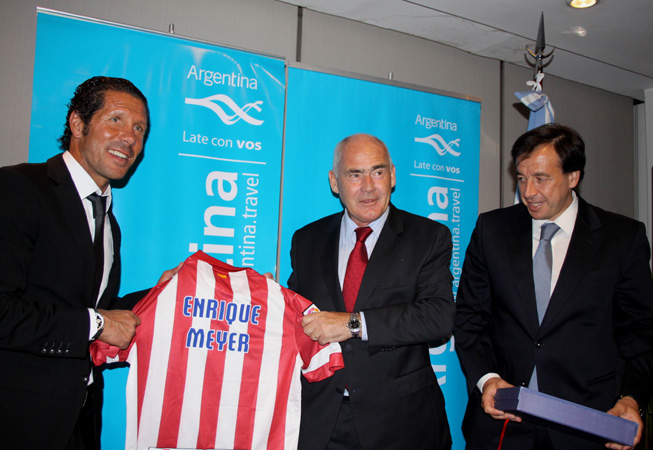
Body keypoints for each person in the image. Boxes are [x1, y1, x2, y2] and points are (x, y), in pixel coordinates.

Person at [0, 76, 178, 449]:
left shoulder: (108, 219)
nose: (130, 138)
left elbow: (93, 310)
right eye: (115, 120)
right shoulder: (19, 188)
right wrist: (96, 322)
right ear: (78, 124)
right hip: (17, 417)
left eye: (139, 128)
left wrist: (161, 294)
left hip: (79, 418)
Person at [455, 123, 653, 450]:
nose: (528, 191)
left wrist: (631, 398)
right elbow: (470, 319)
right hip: (504, 424)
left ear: (573, 177)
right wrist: (487, 379)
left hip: (587, 424)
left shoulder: (622, 238)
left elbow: (640, 329)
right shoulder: (492, 230)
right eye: (521, 178)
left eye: (541, 179)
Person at [288, 133, 455, 450]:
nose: (368, 186)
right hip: (323, 420)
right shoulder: (307, 240)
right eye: (354, 174)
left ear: (392, 175)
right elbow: (298, 318)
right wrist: (263, 295)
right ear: (334, 182)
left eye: (378, 172)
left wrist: (352, 323)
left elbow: (438, 318)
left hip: (402, 423)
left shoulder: (428, 236)